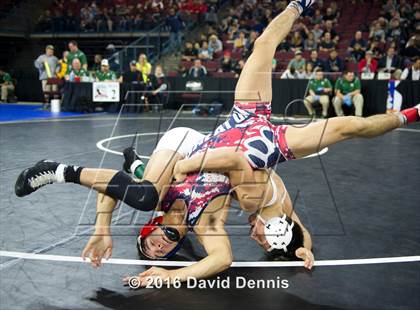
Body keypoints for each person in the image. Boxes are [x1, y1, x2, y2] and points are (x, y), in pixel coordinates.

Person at [14, 0, 420, 284]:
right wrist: (304, 250)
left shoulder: (217, 217)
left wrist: (108, 230)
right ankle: (299, 3)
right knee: (276, 59)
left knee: (144, 193)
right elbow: (288, 227)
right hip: (262, 134)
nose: (256, 239)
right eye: (263, 238)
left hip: (200, 145)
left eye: (157, 242)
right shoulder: (266, 208)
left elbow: (119, 194)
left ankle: (409, 113)